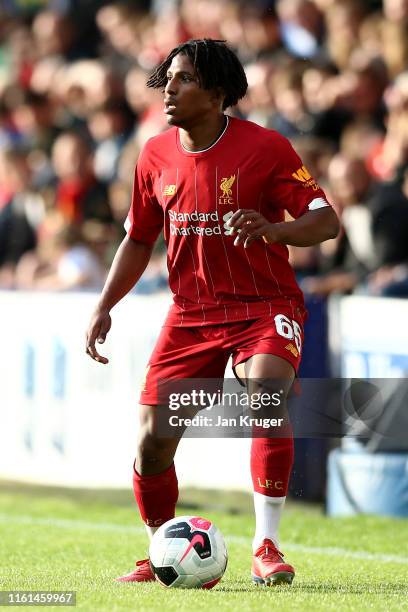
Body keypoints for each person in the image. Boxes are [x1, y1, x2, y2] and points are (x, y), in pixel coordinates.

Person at [85, 39, 339, 587]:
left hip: (262, 305)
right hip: (192, 313)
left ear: (219, 92)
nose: (169, 89)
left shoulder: (267, 149)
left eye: (184, 79)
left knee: (268, 393)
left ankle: (265, 545)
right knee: (153, 437)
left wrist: (275, 230)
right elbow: (137, 240)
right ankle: (161, 549)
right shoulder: (154, 155)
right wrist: (105, 304)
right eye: (168, 79)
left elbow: (325, 221)